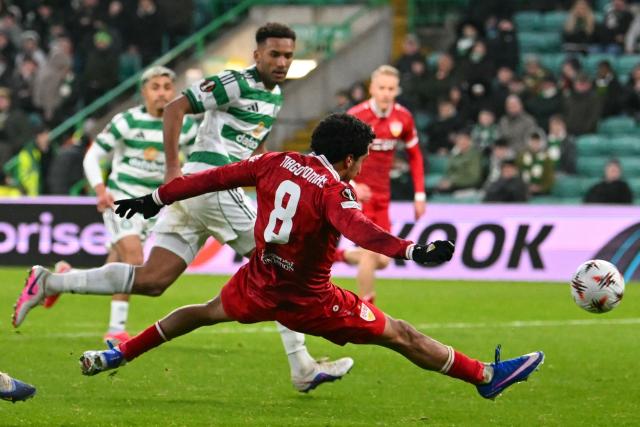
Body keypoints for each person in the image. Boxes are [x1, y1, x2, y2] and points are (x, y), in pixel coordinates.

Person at [78, 113, 544, 400]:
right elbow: (358, 229)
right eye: (360, 159)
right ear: (347, 160)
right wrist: (411, 250)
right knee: (400, 334)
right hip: (310, 301)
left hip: (258, 283)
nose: (360, 167)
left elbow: (210, 178)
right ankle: (484, 375)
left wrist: (156, 198)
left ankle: (119, 355)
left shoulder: (273, 162)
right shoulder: (333, 190)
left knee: (199, 312)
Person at [13, 23, 353, 393]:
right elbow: (177, 107)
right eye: (274, 54)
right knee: (280, 265)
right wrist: (174, 169)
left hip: (204, 193)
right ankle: (301, 366)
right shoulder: (236, 81)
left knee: (152, 280)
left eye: (288, 55)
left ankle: (50, 281)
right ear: (257, 54)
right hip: (209, 185)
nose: (282, 61)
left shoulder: (273, 98)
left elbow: (253, 153)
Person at [50, 65, 198, 344]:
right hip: (121, 199)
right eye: (155, 87)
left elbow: (192, 165)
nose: (162, 93)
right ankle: (116, 330)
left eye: (167, 87)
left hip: (154, 206)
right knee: (134, 258)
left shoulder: (186, 126)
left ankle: (65, 278)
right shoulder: (126, 121)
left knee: (115, 268)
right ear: (144, 92)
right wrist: (100, 189)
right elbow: (92, 157)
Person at [340, 65, 426, 304]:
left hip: (383, 196)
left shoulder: (403, 117)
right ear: (372, 89)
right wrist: (353, 184)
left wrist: (419, 195)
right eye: (382, 88)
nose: (386, 93)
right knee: (370, 251)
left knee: (384, 258)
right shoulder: (357, 116)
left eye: (391, 88)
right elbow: (336, 156)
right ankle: (366, 304)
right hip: (359, 196)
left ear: (396, 90)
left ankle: (341, 256)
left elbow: (415, 156)